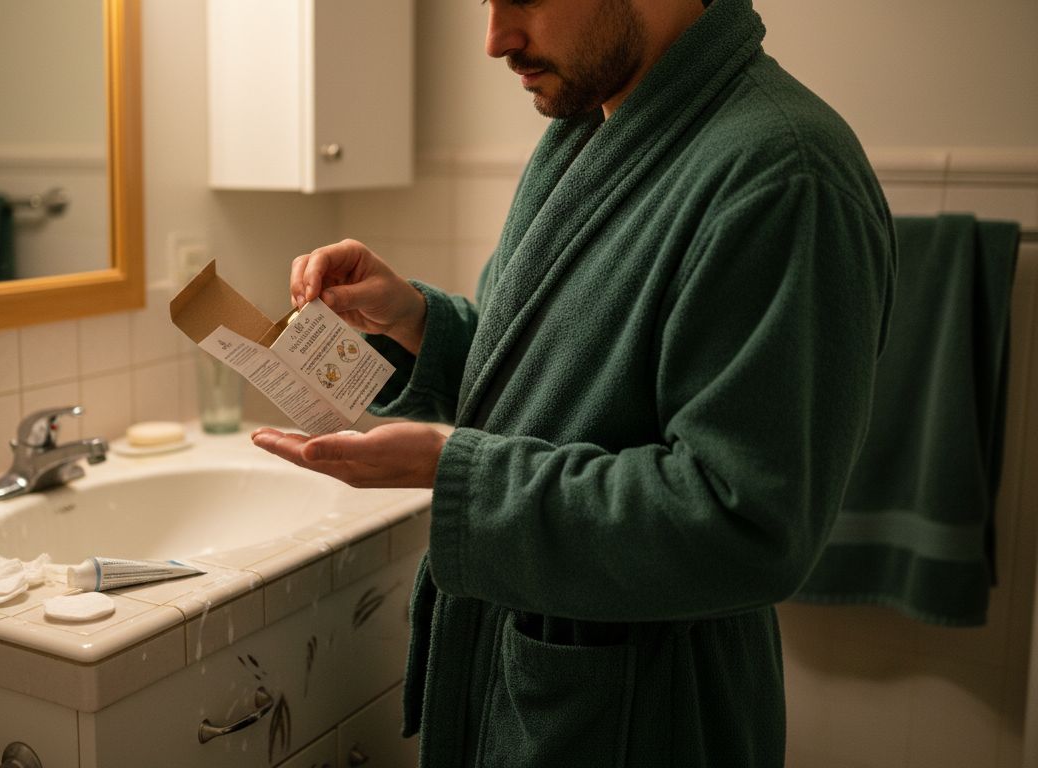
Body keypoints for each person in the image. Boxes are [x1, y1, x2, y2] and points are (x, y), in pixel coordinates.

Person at [252, 0, 896, 764]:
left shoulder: (784, 175)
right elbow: (543, 383)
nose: (496, 39)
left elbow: (745, 526)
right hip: (537, 688)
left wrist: (454, 471)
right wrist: (417, 322)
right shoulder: (590, 130)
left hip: (643, 724)